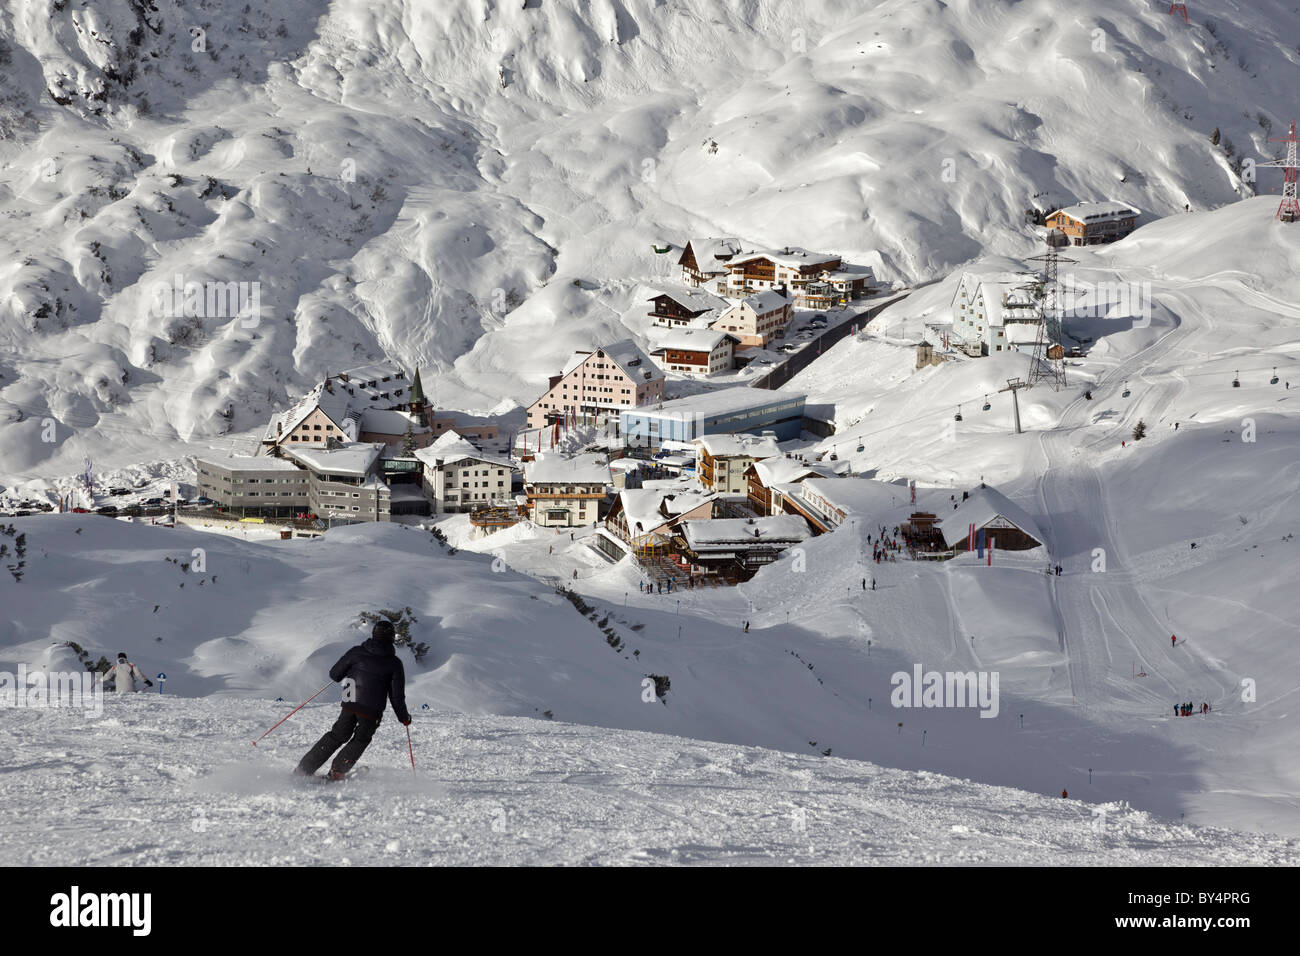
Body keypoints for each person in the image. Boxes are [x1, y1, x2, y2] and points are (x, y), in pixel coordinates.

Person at [296, 620, 410, 780]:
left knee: (337, 735)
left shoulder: (356, 652)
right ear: (391, 638)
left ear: (373, 634)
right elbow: (396, 696)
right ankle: (338, 771)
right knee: (361, 738)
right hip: (372, 710)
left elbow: (335, 674)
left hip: (350, 702)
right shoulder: (395, 663)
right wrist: (404, 717)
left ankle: (304, 769)